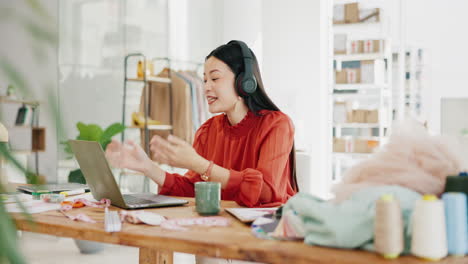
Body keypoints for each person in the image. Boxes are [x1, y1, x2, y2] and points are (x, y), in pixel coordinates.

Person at [106, 40, 298, 208]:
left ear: (244, 82)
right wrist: (147, 167)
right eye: (205, 80)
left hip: (268, 232)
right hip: (225, 227)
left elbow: (265, 191)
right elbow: (193, 188)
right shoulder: (208, 131)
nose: (206, 87)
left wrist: (201, 165)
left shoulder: (277, 125)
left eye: (214, 78)